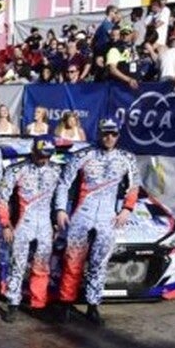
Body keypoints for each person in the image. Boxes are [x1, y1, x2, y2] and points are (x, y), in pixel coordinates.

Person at [53, 119, 140, 325]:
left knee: (99, 263)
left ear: (119, 135)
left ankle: (93, 305)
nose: (109, 138)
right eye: (106, 134)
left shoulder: (127, 158)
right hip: (82, 214)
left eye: (114, 134)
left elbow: (134, 186)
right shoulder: (82, 155)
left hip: (107, 217)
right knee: (72, 260)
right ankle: (66, 303)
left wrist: (127, 209)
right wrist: (60, 209)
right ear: (99, 133)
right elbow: (64, 183)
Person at [0, 137, 63, 323]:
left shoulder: (57, 170)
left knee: (42, 266)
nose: (44, 159)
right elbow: (2, 199)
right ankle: (12, 303)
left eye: (48, 156)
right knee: (17, 264)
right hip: (22, 224)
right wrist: (5, 224)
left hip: (44, 224)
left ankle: (38, 305)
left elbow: (61, 197)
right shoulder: (16, 170)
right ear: (33, 151)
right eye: (41, 155)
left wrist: (57, 222)